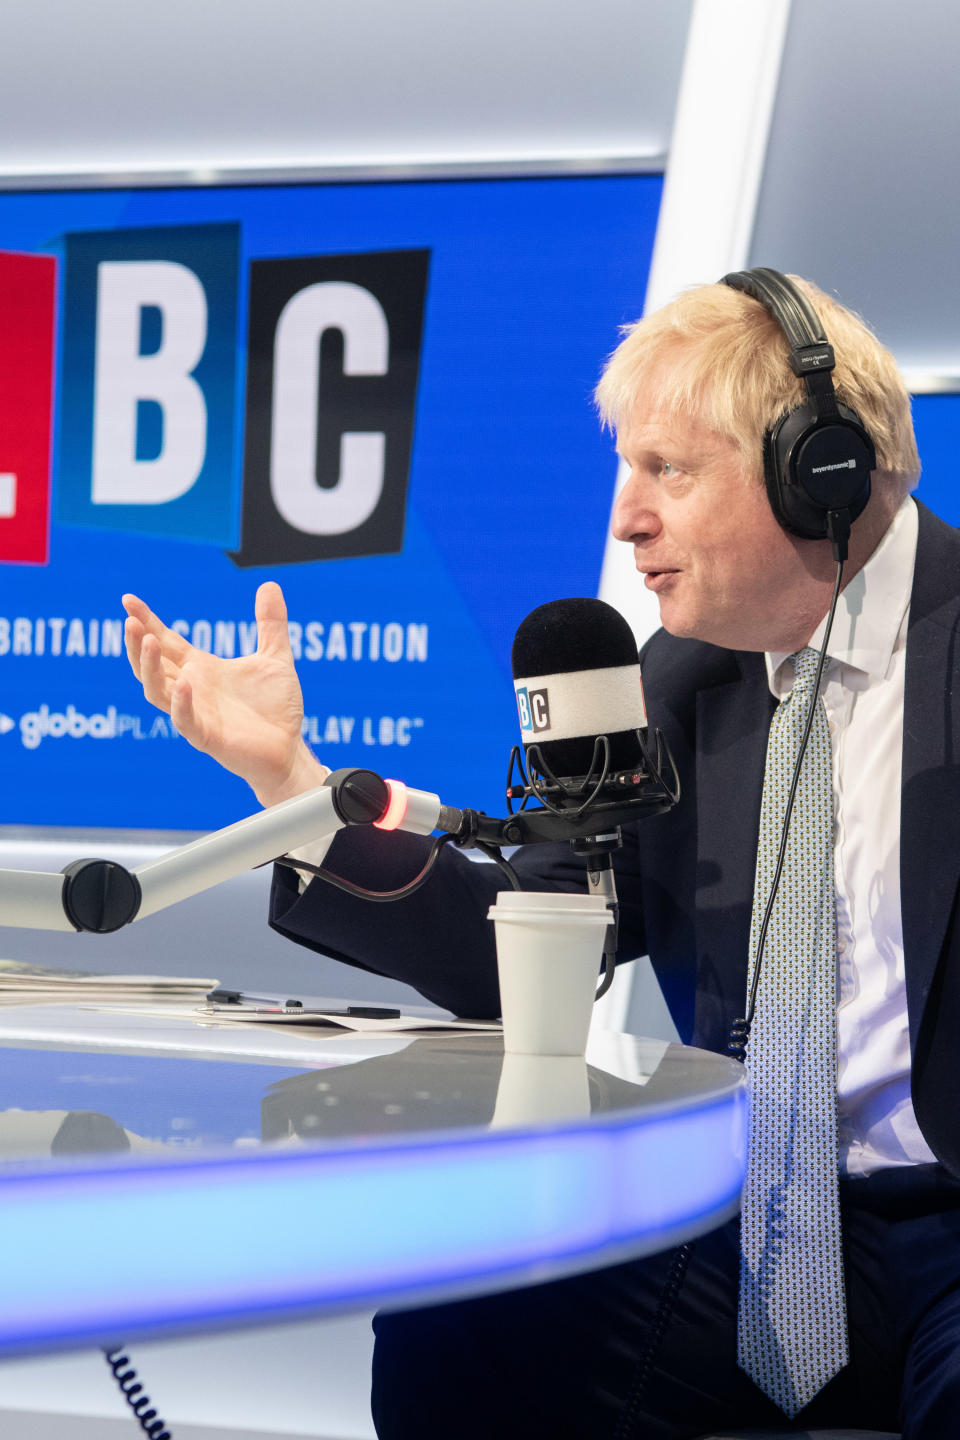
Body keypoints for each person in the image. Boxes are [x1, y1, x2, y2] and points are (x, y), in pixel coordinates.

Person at [123, 273, 960, 1439]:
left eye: (668, 470)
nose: (627, 520)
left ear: (820, 465)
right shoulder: (675, 684)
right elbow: (511, 947)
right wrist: (293, 784)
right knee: (469, 1317)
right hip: (768, 1225)